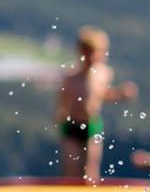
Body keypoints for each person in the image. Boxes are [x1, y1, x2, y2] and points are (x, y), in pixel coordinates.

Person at [55, 27, 137, 183]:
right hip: (72, 125)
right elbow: (62, 102)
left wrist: (120, 95)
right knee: (70, 172)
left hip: (92, 125)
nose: (92, 57)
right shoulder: (71, 78)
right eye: (88, 52)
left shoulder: (103, 74)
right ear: (81, 53)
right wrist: (60, 117)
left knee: (90, 173)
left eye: (96, 52)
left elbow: (101, 95)